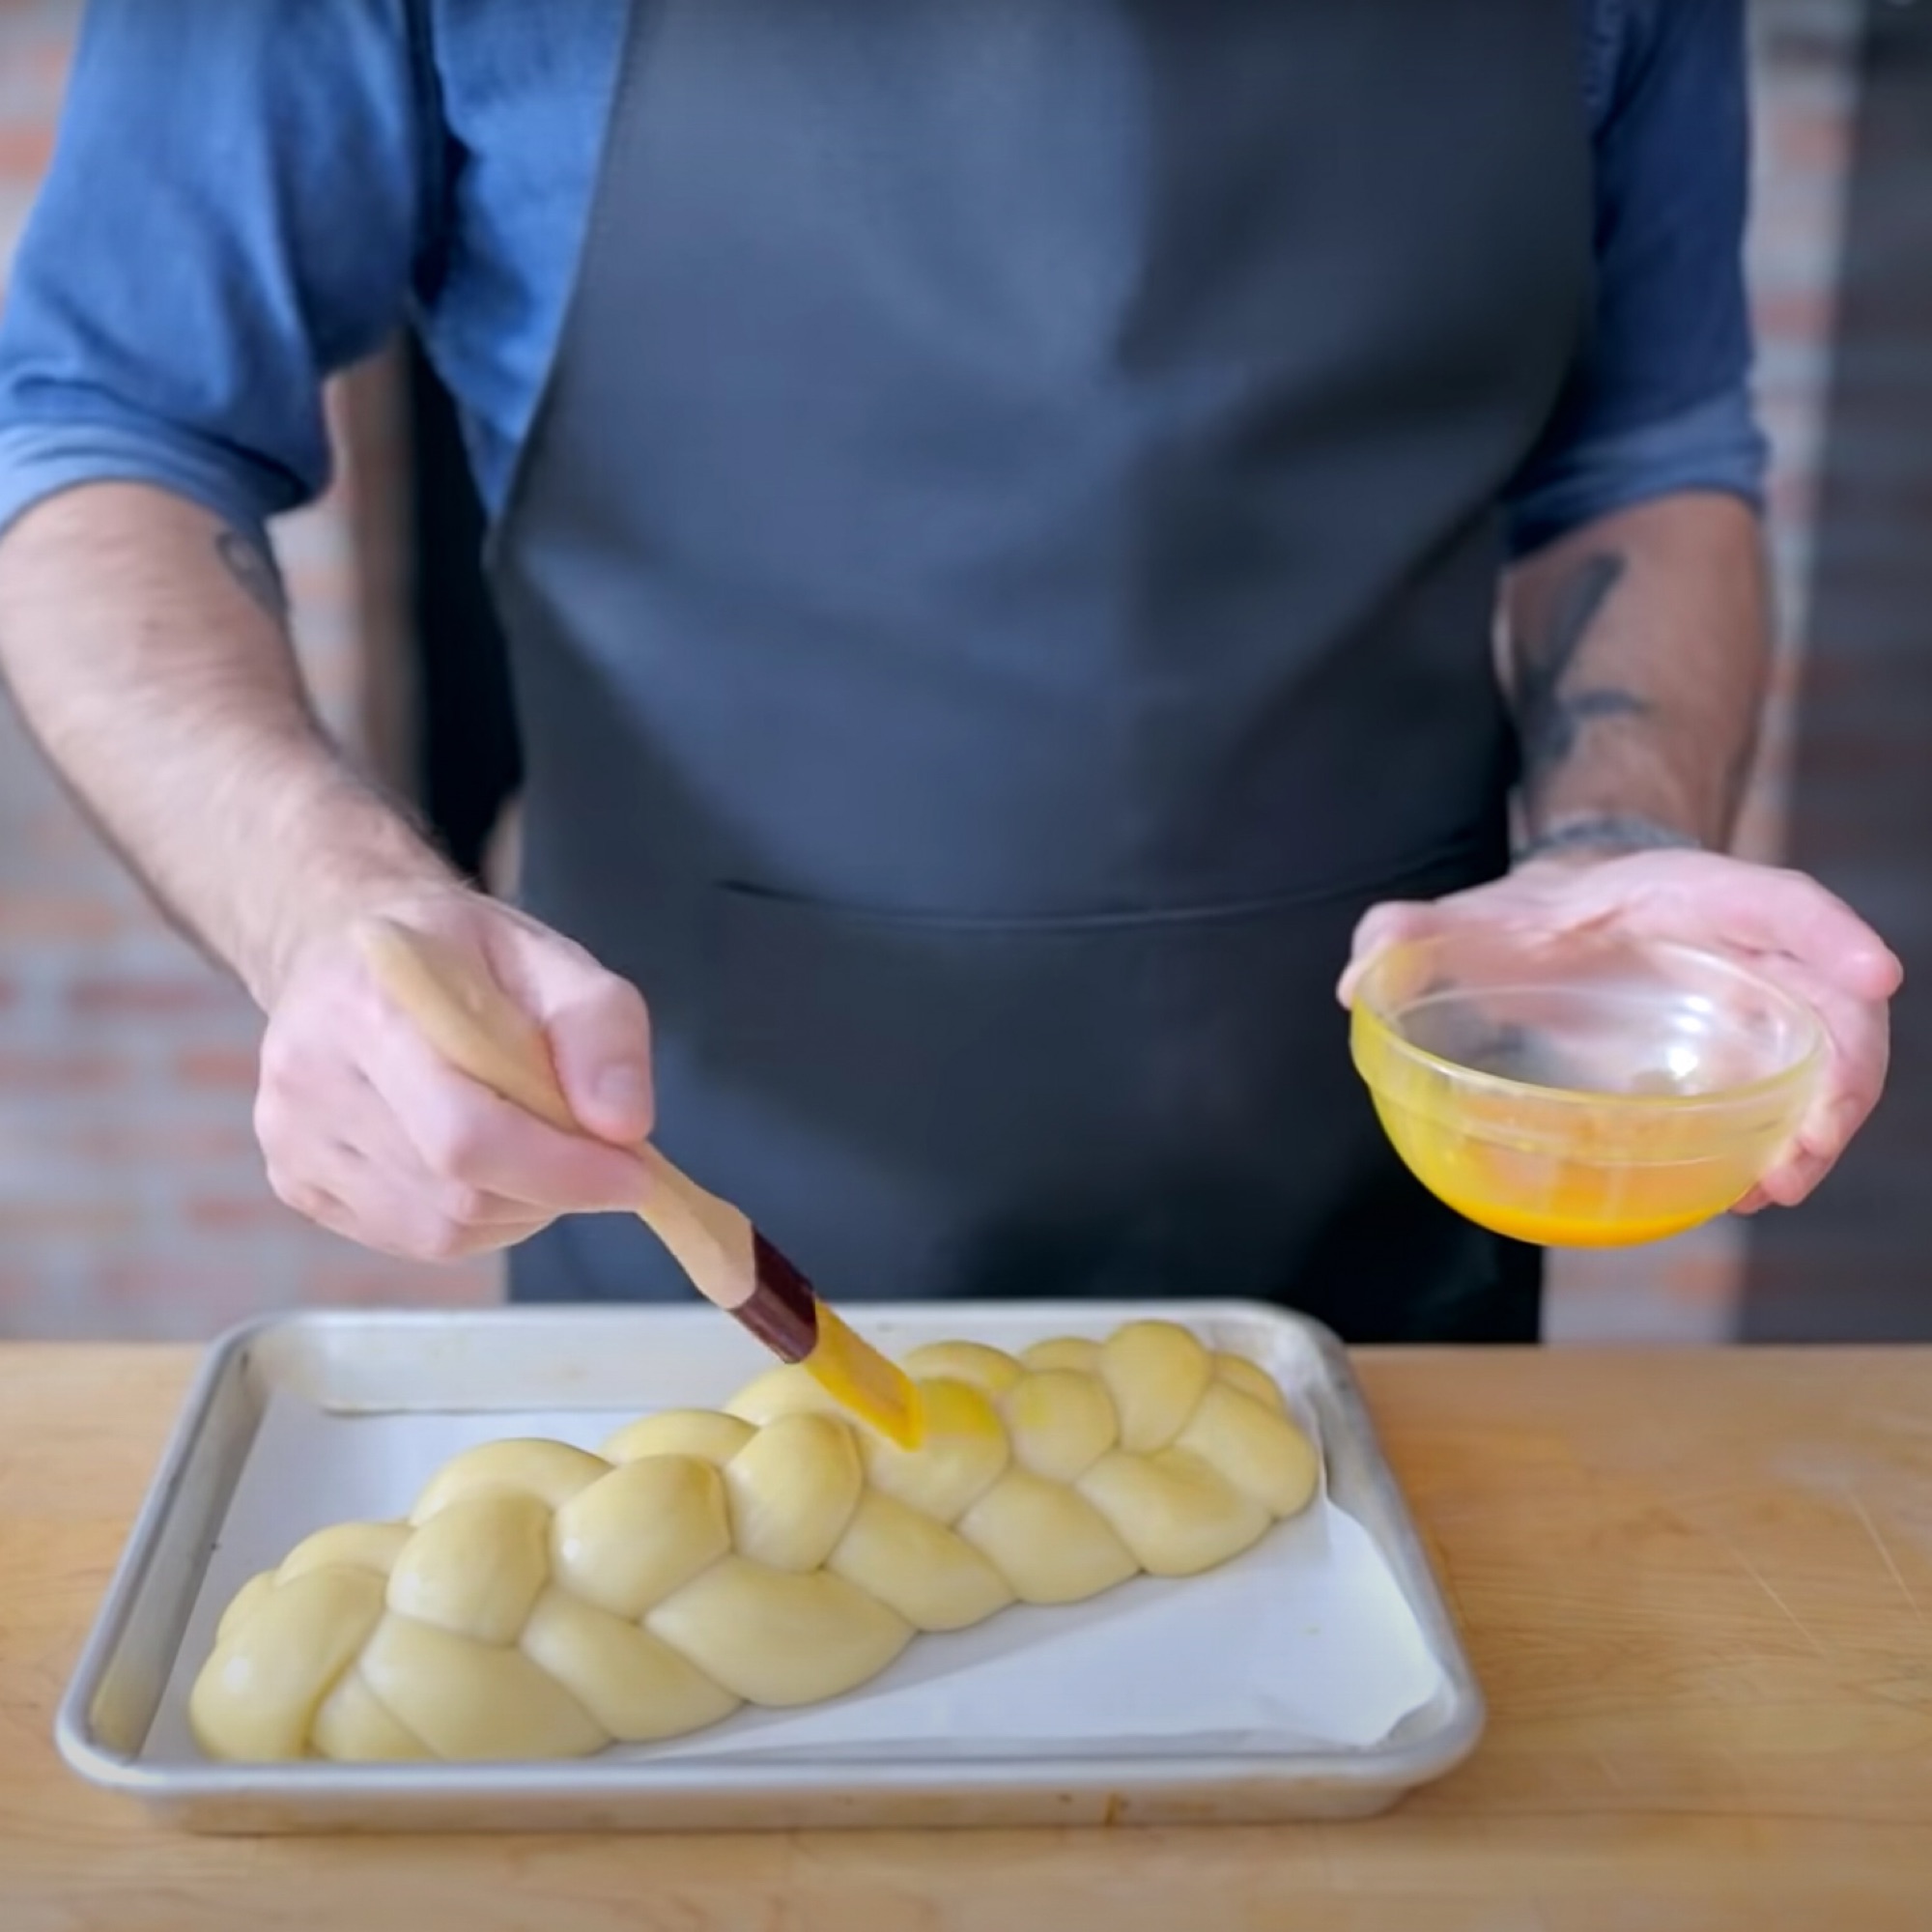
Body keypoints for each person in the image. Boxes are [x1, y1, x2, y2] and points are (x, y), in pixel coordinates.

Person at [0, 0, 1900, 1344]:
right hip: (692, 1224)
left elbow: (1639, 459)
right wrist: (327, 913)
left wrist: (1607, 855)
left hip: (1375, 1237)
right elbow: (107, 423)